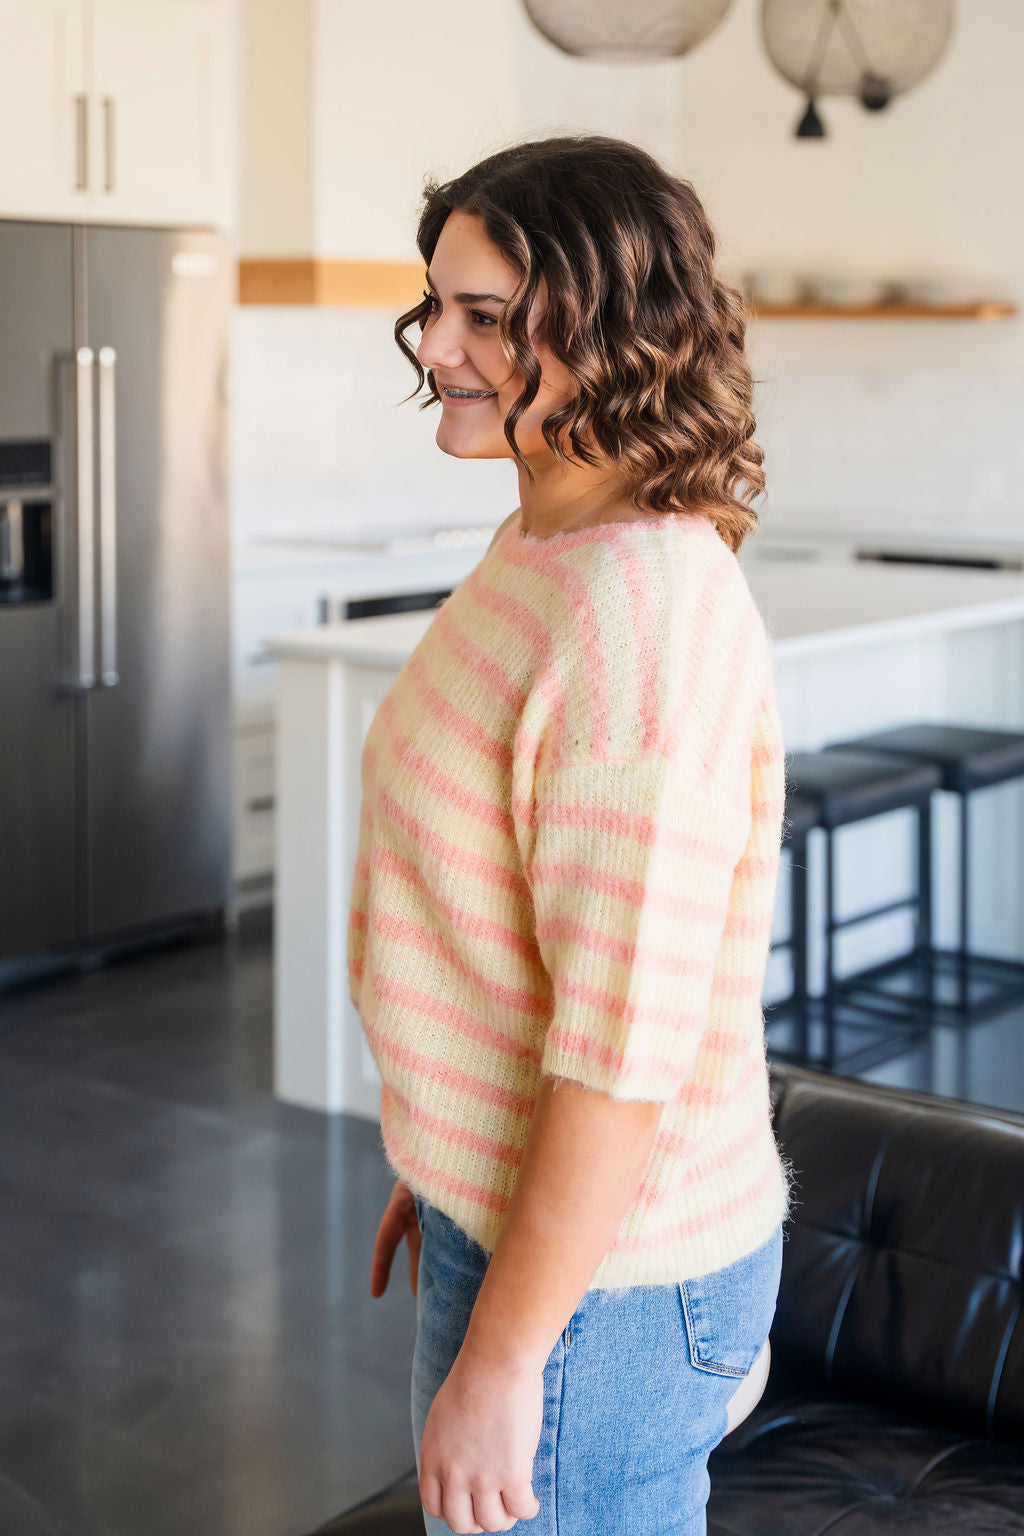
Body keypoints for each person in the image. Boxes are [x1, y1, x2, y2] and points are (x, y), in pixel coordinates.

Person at [347, 133, 795, 1536]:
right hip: (540, 1235)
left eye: (485, 315)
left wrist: (506, 1347)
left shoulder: (638, 615)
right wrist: (457, 1151)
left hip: (611, 1290)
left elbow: (621, 1053)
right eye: (436, 303)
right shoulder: (548, 539)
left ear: (614, 332)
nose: (436, 342)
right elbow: (514, 918)